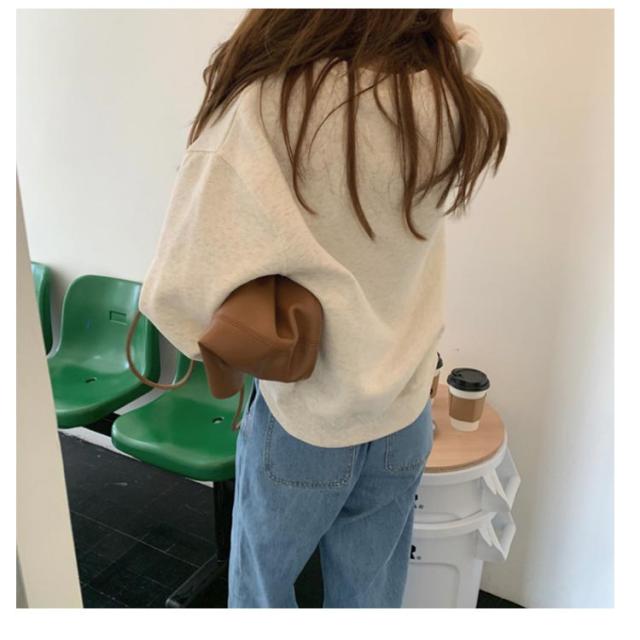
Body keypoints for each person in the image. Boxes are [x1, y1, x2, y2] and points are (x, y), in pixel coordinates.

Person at [138, 8, 508, 607]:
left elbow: (177, 290)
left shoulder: (273, 103)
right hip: (404, 412)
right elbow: (461, 44)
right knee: (371, 599)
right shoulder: (448, 99)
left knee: (261, 595)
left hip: (306, 418)